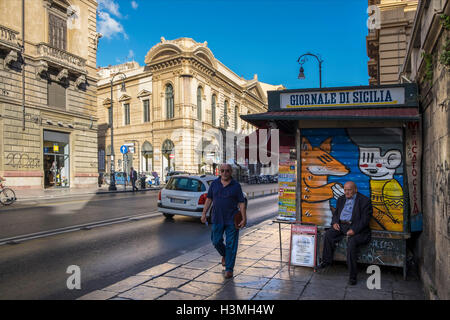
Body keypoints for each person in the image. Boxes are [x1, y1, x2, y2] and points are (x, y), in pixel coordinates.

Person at [316, 181, 373, 285]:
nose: (346, 192)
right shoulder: (341, 199)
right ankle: (326, 262)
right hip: (342, 226)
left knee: (352, 243)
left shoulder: (365, 201)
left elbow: (365, 220)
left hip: (357, 228)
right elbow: (336, 214)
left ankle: (352, 276)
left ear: (355, 190)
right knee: (328, 234)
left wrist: (354, 230)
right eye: (345, 190)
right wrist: (335, 223)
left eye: (349, 190)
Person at [201, 163, 247, 279]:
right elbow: (209, 199)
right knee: (216, 241)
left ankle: (229, 269)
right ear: (219, 172)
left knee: (232, 244)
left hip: (232, 219)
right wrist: (204, 213)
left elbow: (241, 202)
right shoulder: (214, 184)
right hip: (217, 218)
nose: (225, 173)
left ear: (231, 172)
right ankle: (225, 255)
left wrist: (244, 217)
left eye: (227, 171)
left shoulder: (236, 186)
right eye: (222, 171)